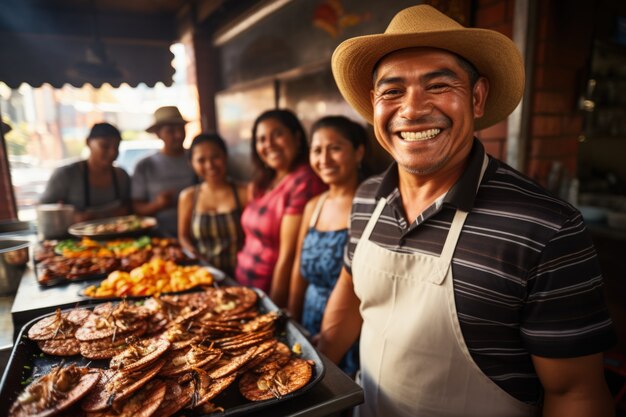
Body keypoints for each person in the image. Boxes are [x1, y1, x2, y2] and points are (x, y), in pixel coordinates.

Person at [318, 5, 616, 417]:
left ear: (477, 98)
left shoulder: (547, 228)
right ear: (374, 105)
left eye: (438, 85)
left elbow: (575, 394)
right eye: (392, 90)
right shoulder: (367, 196)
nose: (412, 109)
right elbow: (351, 296)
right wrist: (310, 373)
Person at [287, 115, 365, 376]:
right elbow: (299, 266)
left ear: (358, 152)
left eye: (335, 148)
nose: (324, 159)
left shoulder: (369, 206)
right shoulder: (314, 205)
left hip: (353, 326)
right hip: (310, 318)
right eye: (317, 150)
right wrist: (292, 320)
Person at [235, 109, 326, 307]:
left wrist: (274, 309)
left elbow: (289, 255)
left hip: (269, 295)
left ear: (297, 137)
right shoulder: (264, 181)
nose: (269, 144)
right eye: (261, 139)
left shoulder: (305, 181)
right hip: (244, 287)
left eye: (277, 134)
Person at [177, 133, 247, 277]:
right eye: (201, 160)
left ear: (225, 157)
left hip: (241, 274)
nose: (210, 165)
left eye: (215, 157)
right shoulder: (188, 197)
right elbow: (183, 237)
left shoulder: (244, 193)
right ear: (192, 163)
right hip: (205, 275)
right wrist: (193, 254)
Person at [40, 122, 131, 222]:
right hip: (75, 237)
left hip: (120, 237)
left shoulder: (122, 176)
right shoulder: (66, 175)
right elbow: (43, 209)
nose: (112, 152)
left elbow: (131, 207)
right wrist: (70, 217)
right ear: (88, 142)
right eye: (105, 146)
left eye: (116, 147)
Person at [132, 106, 196, 237]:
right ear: (158, 134)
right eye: (171, 131)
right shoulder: (145, 165)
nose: (178, 135)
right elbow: (135, 208)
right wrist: (157, 205)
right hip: (159, 237)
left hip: (197, 233)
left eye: (181, 129)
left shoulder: (198, 159)